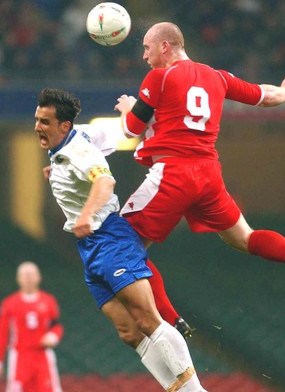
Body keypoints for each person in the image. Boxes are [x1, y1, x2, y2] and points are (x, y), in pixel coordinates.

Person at [114, 22, 285, 294]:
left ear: (164, 46)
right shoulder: (218, 77)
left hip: (172, 173)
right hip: (208, 175)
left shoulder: (159, 78)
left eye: (147, 49)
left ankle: (172, 324)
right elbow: (266, 97)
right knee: (245, 237)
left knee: (121, 246)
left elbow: (129, 130)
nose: (144, 56)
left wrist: (126, 107)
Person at [34, 88, 206, 392]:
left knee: (149, 320)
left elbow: (104, 180)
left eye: (45, 122)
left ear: (64, 127)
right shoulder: (78, 138)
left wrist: (87, 214)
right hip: (89, 249)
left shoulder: (78, 152)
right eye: (37, 120)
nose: (38, 127)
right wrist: (129, 112)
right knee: (129, 332)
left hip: (109, 238)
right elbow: (116, 135)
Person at [0, 261, 63, 392]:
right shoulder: (9, 304)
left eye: (31, 274)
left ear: (39, 277)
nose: (28, 278)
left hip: (43, 355)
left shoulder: (48, 301)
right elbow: (2, 334)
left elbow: (56, 326)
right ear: (18, 278)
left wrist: (53, 336)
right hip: (20, 356)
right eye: (24, 275)